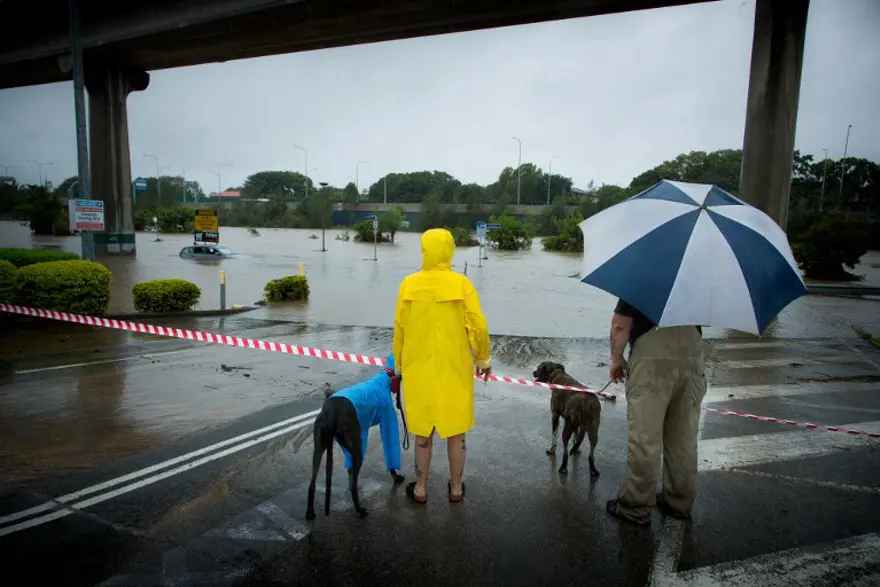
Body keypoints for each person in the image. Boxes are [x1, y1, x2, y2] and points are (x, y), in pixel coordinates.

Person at [392, 228, 492, 504]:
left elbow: (399, 328)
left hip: (417, 369)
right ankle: (457, 487)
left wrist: (398, 366)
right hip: (454, 369)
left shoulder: (408, 285)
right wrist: (483, 358)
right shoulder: (462, 285)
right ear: (450, 251)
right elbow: (478, 325)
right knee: (455, 429)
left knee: (423, 430)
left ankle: (421, 488)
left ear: (424, 251)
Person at [605, 298, 706, 526]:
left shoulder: (644, 269)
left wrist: (616, 359)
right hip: (693, 356)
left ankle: (636, 507)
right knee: (683, 437)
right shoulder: (699, 272)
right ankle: (679, 503)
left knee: (645, 437)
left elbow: (620, 324)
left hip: (652, 362)